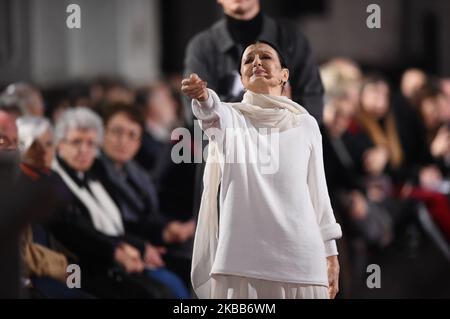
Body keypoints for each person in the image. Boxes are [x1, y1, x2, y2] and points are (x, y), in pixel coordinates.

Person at [182, 41, 342, 299]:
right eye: (248, 60)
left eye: (265, 57)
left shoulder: (306, 124)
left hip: (303, 262)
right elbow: (211, 113)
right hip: (244, 263)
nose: (256, 62)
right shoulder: (231, 118)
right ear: (243, 79)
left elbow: (319, 197)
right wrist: (203, 96)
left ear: (284, 75)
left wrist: (331, 255)